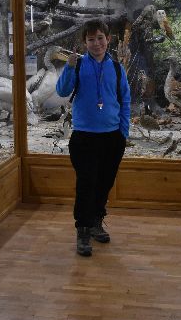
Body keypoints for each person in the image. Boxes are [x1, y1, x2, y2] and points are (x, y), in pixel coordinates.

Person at [56, 19, 130, 257]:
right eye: (91, 39)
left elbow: (125, 100)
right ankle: (83, 229)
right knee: (86, 183)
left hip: (112, 138)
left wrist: (123, 132)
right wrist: (69, 67)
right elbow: (62, 91)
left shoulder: (117, 69)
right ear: (84, 42)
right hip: (84, 138)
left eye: (100, 38)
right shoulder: (77, 65)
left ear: (108, 39)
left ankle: (97, 220)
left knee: (104, 183)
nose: (96, 43)